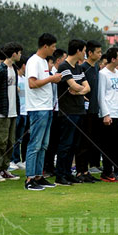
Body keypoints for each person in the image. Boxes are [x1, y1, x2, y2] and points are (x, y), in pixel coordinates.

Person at [24, 33, 62, 191]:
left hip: (46, 107)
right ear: (45, 46)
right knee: (35, 144)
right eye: (53, 46)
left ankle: (39, 176)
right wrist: (51, 79)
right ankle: (29, 178)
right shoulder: (34, 61)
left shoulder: (44, 62)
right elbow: (32, 83)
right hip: (37, 108)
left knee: (44, 144)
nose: (54, 49)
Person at [55, 39, 90, 186]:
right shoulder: (64, 66)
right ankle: (60, 175)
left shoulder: (79, 68)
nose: (85, 53)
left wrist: (77, 92)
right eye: (84, 50)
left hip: (79, 110)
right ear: (78, 51)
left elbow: (86, 87)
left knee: (74, 145)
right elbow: (74, 85)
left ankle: (68, 173)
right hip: (68, 111)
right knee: (65, 144)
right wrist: (79, 90)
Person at [0, 42, 22, 182]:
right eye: (19, 52)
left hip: (13, 111)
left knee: (10, 141)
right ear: (13, 53)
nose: (20, 55)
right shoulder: (0, 69)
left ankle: (4, 168)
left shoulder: (13, 69)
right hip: (2, 112)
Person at [77, 39, 108, 183]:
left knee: (91, 142)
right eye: (98, 52)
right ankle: (80, 171)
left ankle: (87, 170)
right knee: (83, 142)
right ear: (90, 53)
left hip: (95, 110)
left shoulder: (96, 68)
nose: (100, 54)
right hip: (85, 112)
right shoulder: (83, 68)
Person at [99, 47, 118, 182]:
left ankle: (117, 170)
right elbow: (101, 95)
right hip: (109, 114)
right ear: (113, 59)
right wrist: (105, 114)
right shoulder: (103, 74)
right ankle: (107, 171)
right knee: (108, 145)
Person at [44, 48, 67, 177]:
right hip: (52, 109)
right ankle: (47, 167)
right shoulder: (51, 74)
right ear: (59, 60)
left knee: (56, 140)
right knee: (51, 141)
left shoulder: (58, 74)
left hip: (59, 110)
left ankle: (51, 166)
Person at [10, 56, 29, 170]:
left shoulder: (25, 79)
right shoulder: (15, 78)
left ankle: (17, 159)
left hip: (24, 111)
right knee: (13, 137)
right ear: (23, 65)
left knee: (19, 138)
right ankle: (11, 159)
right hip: (17, 111)